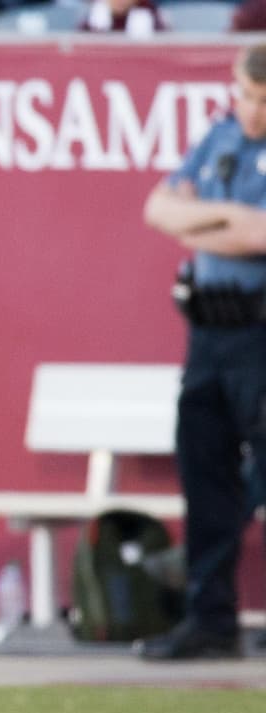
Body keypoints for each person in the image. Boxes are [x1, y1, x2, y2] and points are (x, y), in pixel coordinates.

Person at [136, 44, 266, 660]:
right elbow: (159, 210)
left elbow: (261, 234)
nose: (255, 112)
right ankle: (210, 620)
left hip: (261, 333)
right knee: (205, 476)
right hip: (208, 334)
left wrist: (199, 222)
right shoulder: (218, 137)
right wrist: (226, 219)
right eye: (248, 96)